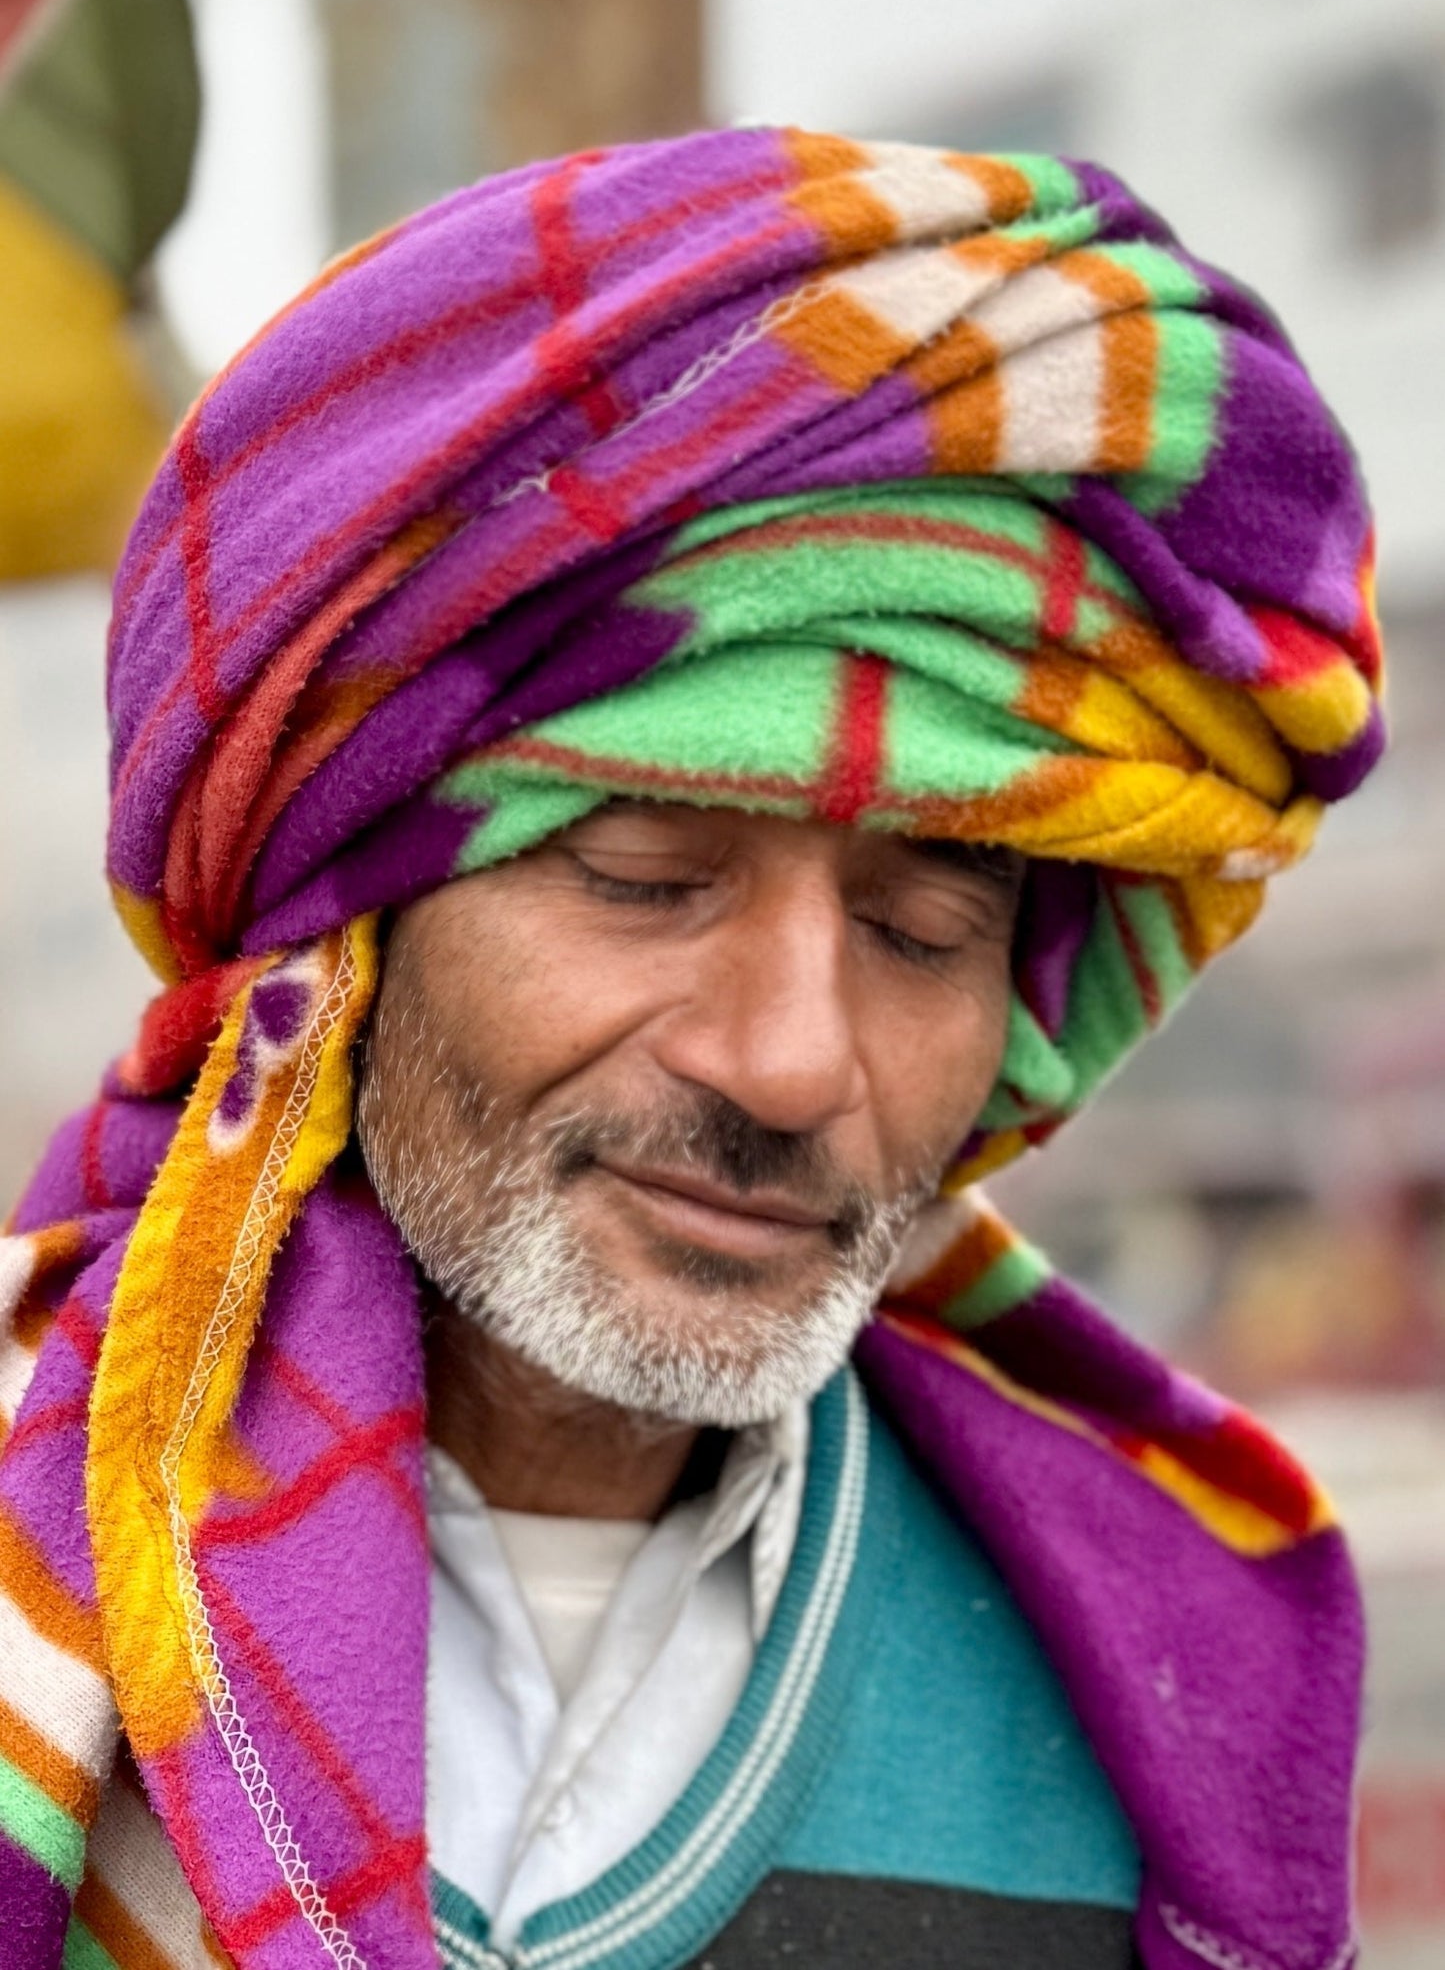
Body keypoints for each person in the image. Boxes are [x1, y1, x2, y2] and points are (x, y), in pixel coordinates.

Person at [0, 130, 1382, 1970]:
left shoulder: (1155, 1695)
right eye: (646, 877)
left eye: (922, 929)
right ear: (342, 943)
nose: (793, 1062)